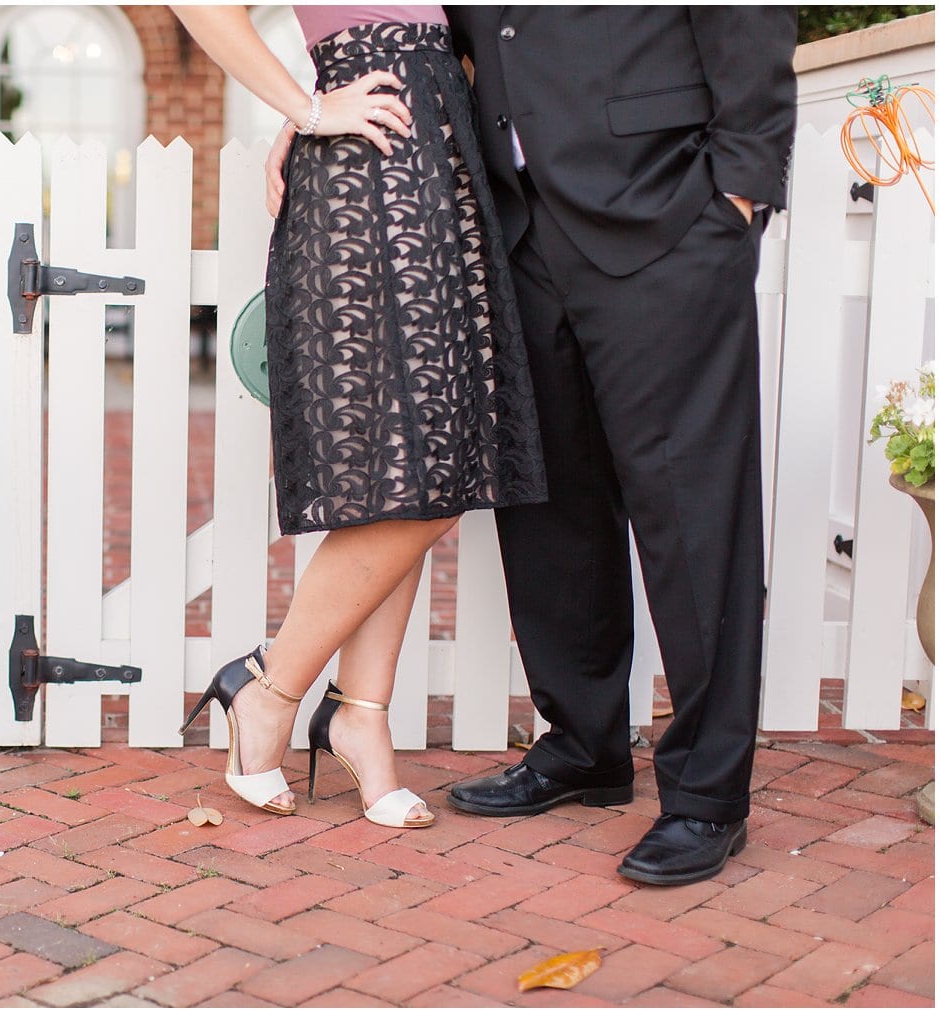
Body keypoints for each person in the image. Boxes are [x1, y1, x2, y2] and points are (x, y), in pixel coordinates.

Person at [266, 7, 796, 883]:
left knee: (691, 511)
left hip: (664, 212)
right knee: (549, 502)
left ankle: (707, 796)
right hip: (517, 230)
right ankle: (583, 744)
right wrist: (299, 111)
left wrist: (737, 194)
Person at [175, 5, 546, 828]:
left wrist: (306, 104)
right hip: (366, 174)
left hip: (442, 157)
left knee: (419, 459)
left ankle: (357, 711)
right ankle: (270, 688)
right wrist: (308, 108)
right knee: (420, 461)